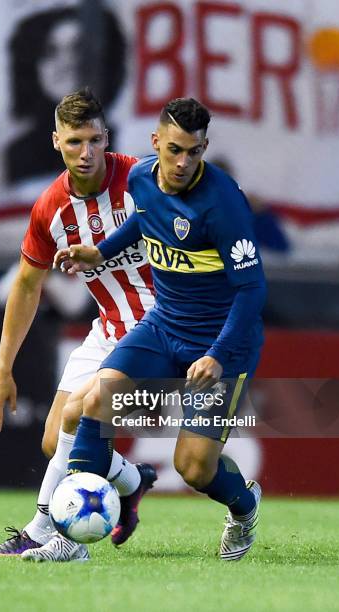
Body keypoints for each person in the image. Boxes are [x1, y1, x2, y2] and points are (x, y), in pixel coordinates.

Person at [55, 98, 267, 561]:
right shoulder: (139, 178)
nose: (183, 162)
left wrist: (217, 354)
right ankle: (67, 541)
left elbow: (252, 290)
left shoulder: (224, 203)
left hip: (221, 346)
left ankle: (245, 505)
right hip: (163, 325)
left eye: (194, 152)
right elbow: (146, 220)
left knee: (193, 468)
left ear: (205, 147)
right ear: (156, 143)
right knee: (93, 401)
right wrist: (101, 251)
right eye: (174, 150)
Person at [0, 89, 156, 562]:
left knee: (78, 415)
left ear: (106, 137)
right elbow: (27, 285)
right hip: (109, 327)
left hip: (159, 329)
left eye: (95, 140)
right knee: (55, 439)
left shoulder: (143, 180)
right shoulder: (49, 208)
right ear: (57, 141)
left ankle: (43, 534)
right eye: (75, 141)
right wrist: (2, 368)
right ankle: (133, 483)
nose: (86, 152)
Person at [5, 7, 126, 183]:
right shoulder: (18, 156)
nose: (67, 62)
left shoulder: (124, 142)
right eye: (51, 51)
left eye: (78, 49)